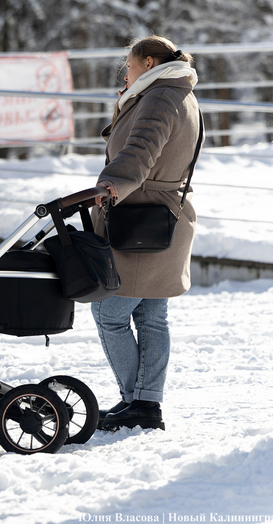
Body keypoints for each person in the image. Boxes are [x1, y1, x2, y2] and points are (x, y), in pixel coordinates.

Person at [90, 35, 201, 431]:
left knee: (108, 312)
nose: (126, 73)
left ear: (149, 63)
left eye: (130, 66)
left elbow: (142, 148)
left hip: (140, 217)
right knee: (152, 315)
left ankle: (135, 401)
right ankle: (146, 403)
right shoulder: (176, 91)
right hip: (164, 215)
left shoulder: (159, 96)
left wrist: (110, 185)